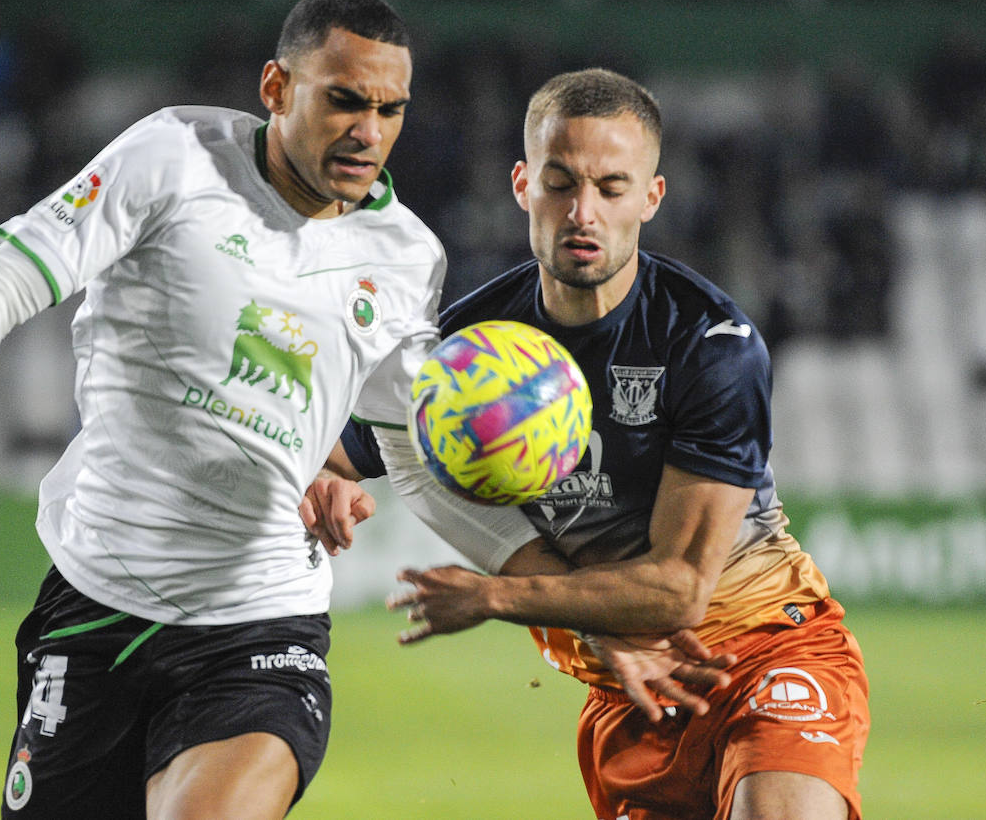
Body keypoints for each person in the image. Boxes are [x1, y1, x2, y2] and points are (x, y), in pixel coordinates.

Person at [0, 0, 438, 820]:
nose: (369, 132)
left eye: (391, 110)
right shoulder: (175, 155)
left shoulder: (406, 256)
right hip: (99, 599)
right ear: (277, 88)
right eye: (344, 100)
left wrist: (553, 598)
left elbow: (415, 445)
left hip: (261, 623)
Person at [329, 69, 870, 820]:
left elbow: (679, 589)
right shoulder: (469, 355)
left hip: (764, 650)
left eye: (612, 189)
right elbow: (343, 443)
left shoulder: (710, 343)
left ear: (650, 198)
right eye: (560, 184)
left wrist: (495, 596)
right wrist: (325, 479)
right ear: (523, 185)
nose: (583, 213)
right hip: (628, 690)